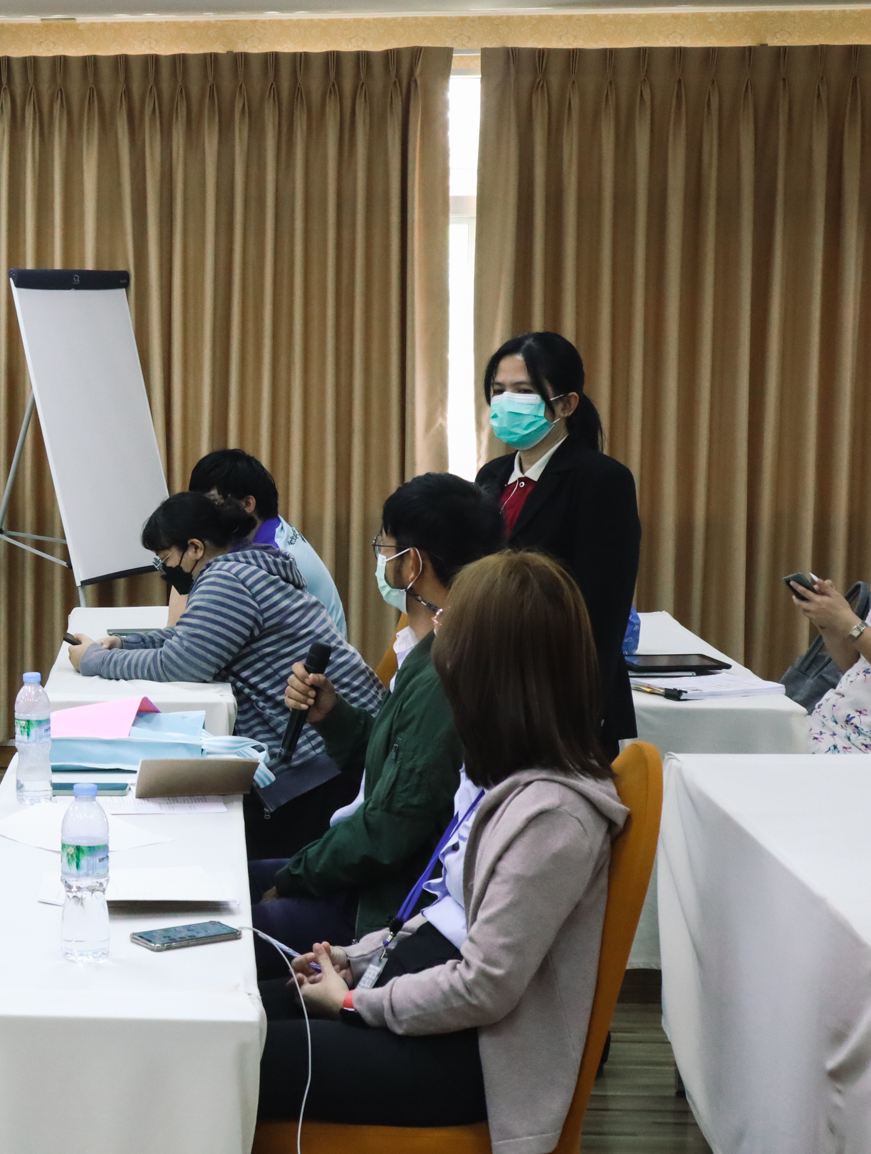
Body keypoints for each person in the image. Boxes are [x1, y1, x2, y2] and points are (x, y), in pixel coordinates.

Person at [257, 551, 627, 1148]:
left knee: (235, 1051)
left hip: (470, 1057)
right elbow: (441, 914)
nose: (438, 632)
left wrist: (352, 1002)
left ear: (490, 667)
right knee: (236, 1014)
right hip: (415, 1001)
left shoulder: (554, 817)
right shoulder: (496, 775)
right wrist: (353, 958)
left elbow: (483, 987)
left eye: (454, 625)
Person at [252, 474, 505, 976]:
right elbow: (397, 768)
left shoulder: (445, 671)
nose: (381, 560)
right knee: (229, 881)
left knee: (234, 922)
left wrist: (294, 877)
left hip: (381, 905)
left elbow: (391, 828)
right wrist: (333, 717)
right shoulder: (427, 648)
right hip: (368, 872)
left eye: (385, 548)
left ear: (412, 565)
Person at [67, 492, 382, 857]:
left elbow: (181, 664)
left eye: (165, 559)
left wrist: (95, 661)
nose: (164, 569)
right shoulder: (247, 565)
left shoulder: (227, 581)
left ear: (195, 548)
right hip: (341, 743)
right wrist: (125, 644)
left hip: (321, 760)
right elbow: (191, 637)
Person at [475, 333, 640, 753]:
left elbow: (602, 609)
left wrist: (578, 707)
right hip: (492, 686)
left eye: (523, 391)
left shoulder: (601, 480)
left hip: (561, 697)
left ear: (566, 404)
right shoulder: (492, 475)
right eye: (498, 390)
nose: (506, 402)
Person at [182, 448, 347, 634]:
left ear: (247, 504)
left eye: (211, 503)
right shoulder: (266, 530)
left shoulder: (274, 558)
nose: (203, 514)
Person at [788, 575, 871, 753]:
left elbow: (851, 625)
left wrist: (845, 619)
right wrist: (828, 623)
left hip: (855, 748)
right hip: (824, 724)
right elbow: (854, 668)